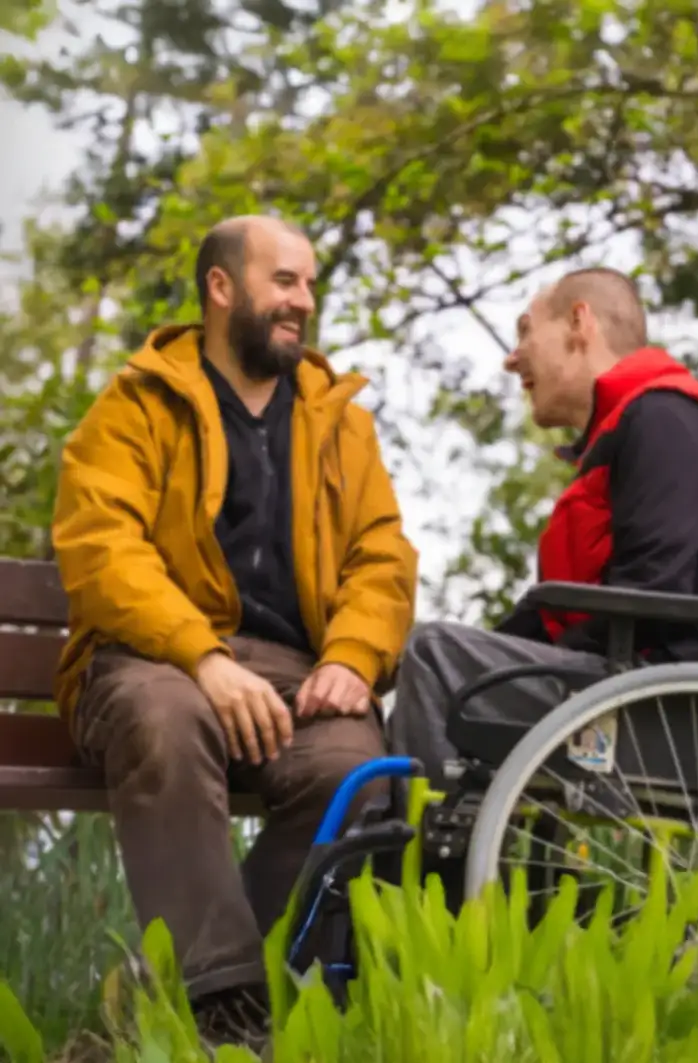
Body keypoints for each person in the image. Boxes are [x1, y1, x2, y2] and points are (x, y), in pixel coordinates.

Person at [51, 214, 418, 1045]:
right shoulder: (135, 403)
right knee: (167, 721)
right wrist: (204, 659)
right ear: (222, 289)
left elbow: (382, 554)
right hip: (151, 658)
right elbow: (102, 546)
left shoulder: (338, 418)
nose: (304, 301)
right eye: (284, 281)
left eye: (310, 284)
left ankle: (192, 990)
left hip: (293, 667)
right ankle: (226, 1011)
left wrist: (354, 657)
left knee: (356, 770)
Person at [388, 266, 698, 786]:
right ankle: (397, 838)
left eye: (526, 330)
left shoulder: (668, 419)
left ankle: (413, 855)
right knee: (433, 667)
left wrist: (512, 665)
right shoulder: (632, 429)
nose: (511, 357)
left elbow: (651, 592)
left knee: (435, 654)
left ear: (579, 323)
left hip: (678, 706)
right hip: (637, 684)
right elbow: (556, 615)